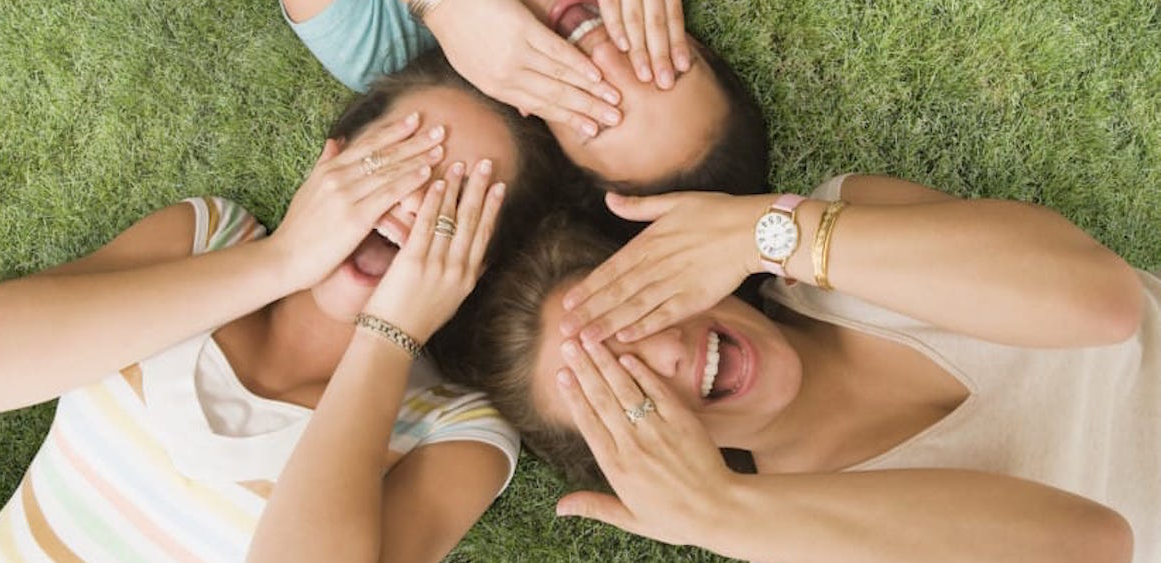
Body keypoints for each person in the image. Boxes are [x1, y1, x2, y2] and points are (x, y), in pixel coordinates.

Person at [0, 51, 563, 562]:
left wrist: (388, 335)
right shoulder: (207, 238)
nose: (411, 204)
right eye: (398, 161)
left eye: (456, 201)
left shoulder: (456, 429)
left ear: (478, 266)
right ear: (331, 163)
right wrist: (285, 259)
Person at [466, 173, 1156, 562]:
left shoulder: (833, 239)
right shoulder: (800, 538)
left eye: (635, 312)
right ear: (636, 458)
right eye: (626, 387)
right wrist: (722, 510)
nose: (672, 352)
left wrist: (760, 230)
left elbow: (1106, 304)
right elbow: (1090, 546)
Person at [243, 0, 771, 195]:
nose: (604, 53)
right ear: (699, 46)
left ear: (544, 133)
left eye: (599, 111)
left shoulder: (385, 47)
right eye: (662, 68)